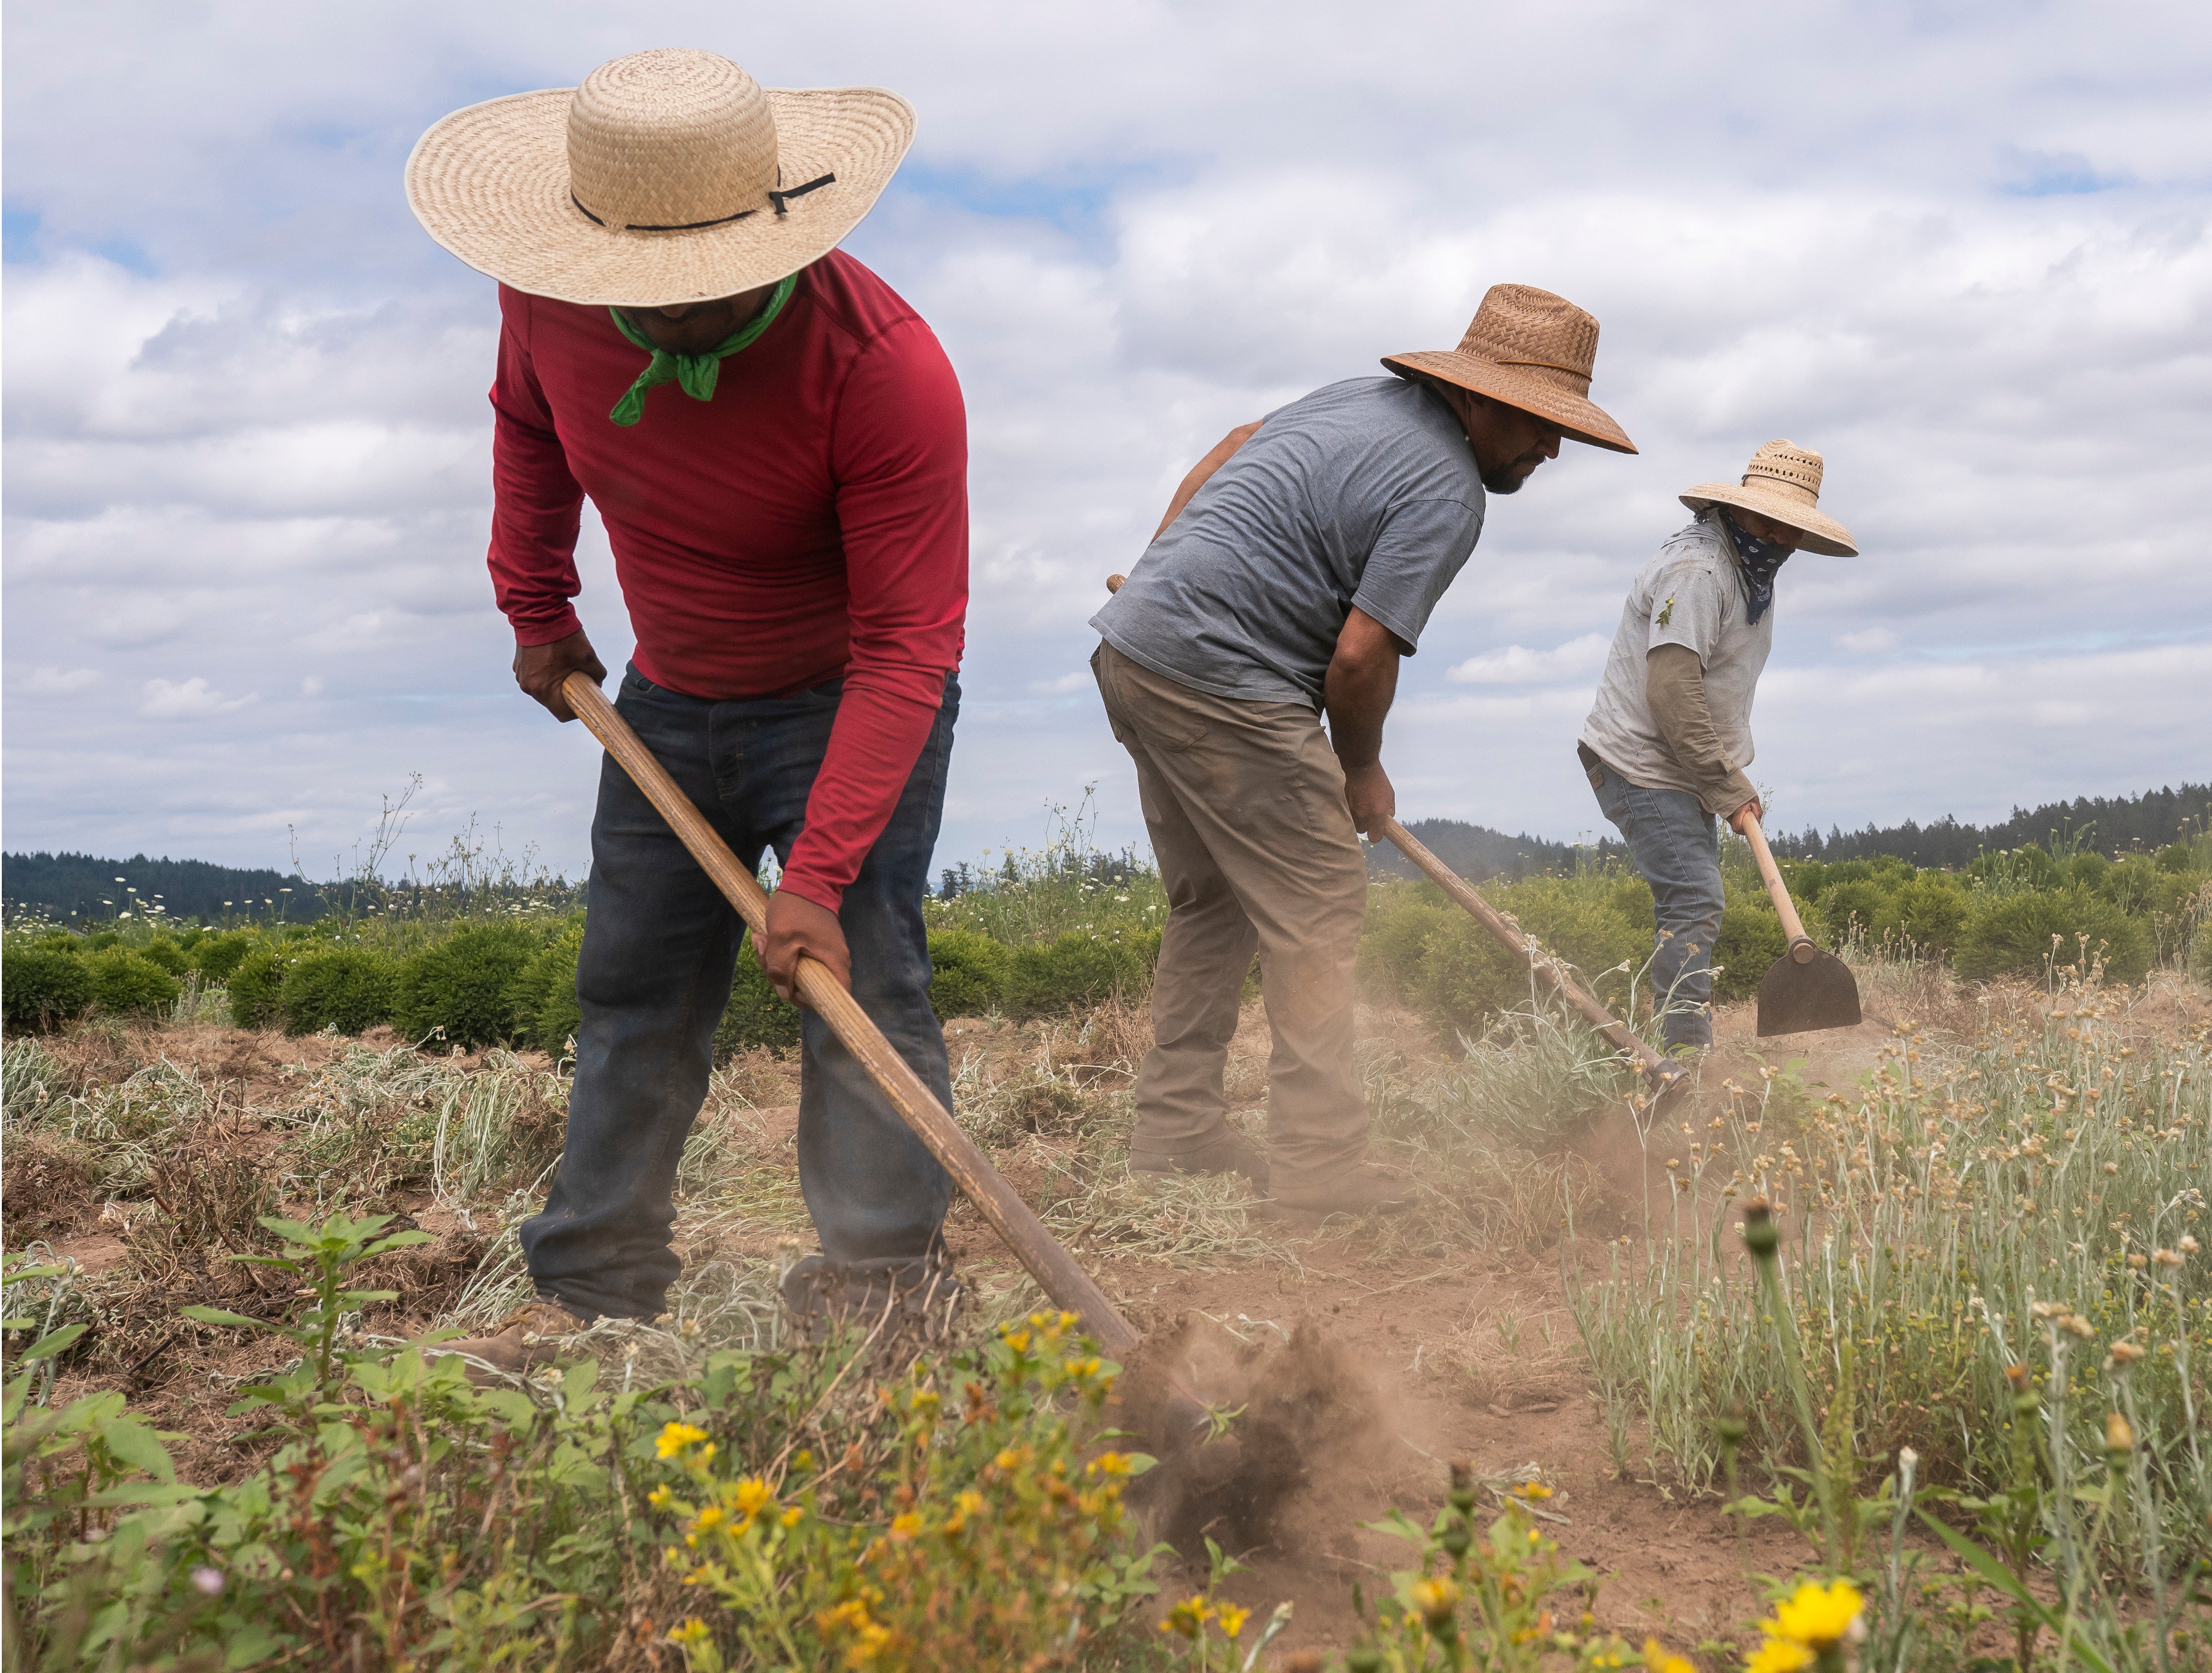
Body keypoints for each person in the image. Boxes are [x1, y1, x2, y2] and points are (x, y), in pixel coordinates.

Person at [406, 49, 970, 1370]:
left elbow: (904, 649)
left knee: (863, 986)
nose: (662, 318)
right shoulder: (549, 296)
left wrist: (819, 877)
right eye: (640, 294)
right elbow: (527, 428)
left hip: (847, 700)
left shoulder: (884, 371)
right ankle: (596, 1288)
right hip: (664, 696)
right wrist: (534, 604)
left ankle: (884, 1291)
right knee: (633, 993)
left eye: (699, 293)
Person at [1090, 285, 1635, 1220]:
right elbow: (1358, 655)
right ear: (1482, 399)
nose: (1550, 451)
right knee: (1319, 907)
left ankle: (1177, 1132)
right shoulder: (1449, 492)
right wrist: (1361, 769)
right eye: (1542, 427)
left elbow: (1235, 439)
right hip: (1224, 682)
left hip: (1135, 653)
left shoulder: (1353, 400)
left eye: (1563, 434)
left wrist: (1158, 566)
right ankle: (1320, 1169)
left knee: (1213, 902)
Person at [1575, 441, 1858, 1059]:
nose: (1778, 538)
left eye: (1790, 529)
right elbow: (1672, 691)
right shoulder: (1699, 572)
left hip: (1685, 766)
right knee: (1694, 896)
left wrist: (1723, 775)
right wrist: (1724, 782)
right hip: (1641, 762)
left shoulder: (1750, 570)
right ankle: (1682, 1063)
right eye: (1767, 523)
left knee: (1693, 897)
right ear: (1737, 510)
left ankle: (1682, 1047)